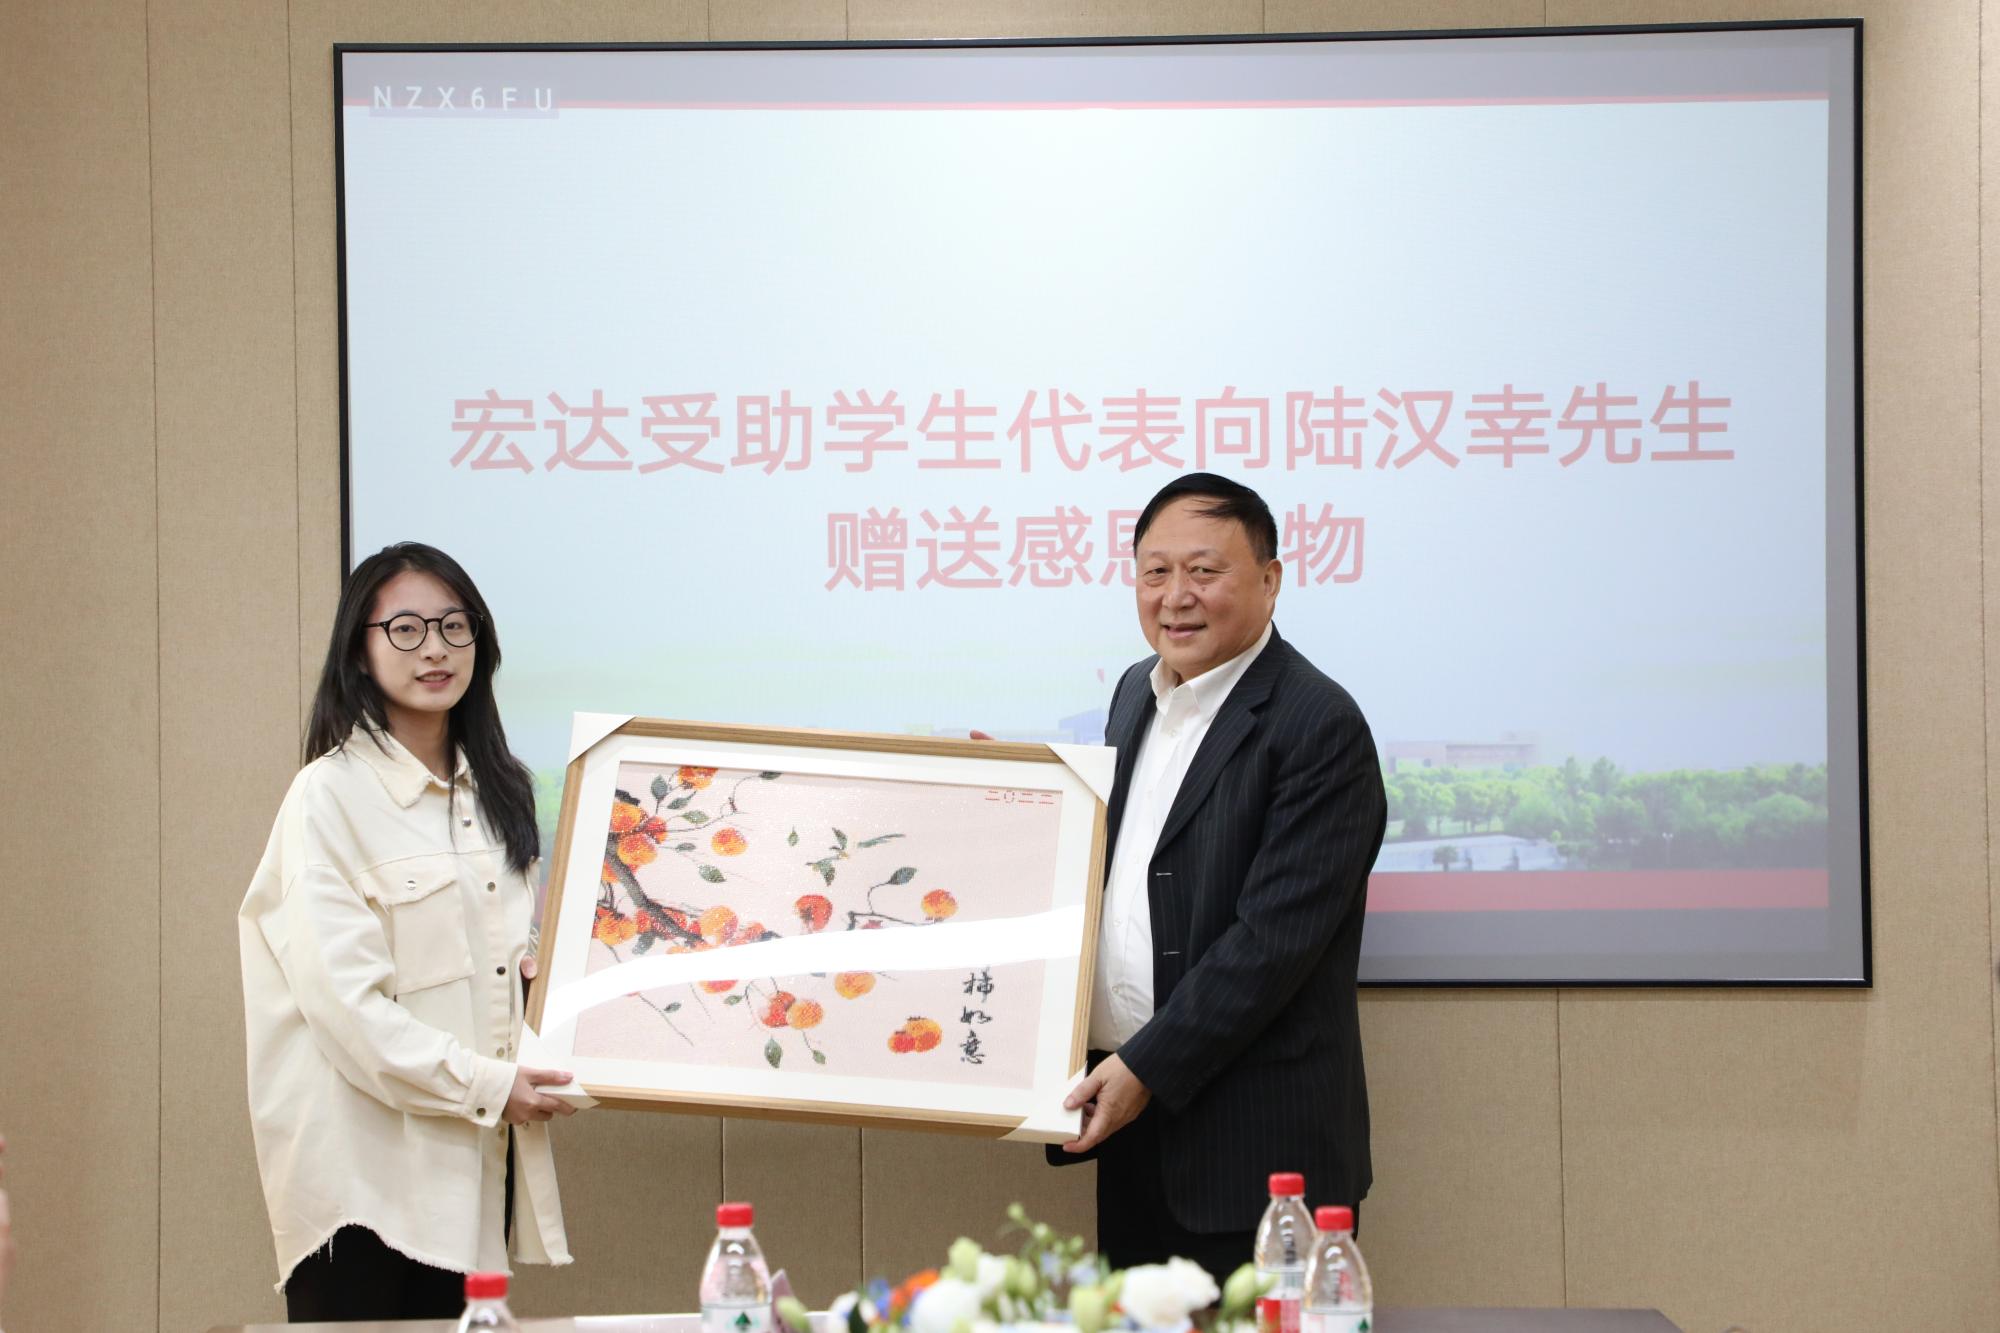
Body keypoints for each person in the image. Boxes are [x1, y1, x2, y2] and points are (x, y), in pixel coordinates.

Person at [1049, 473, 1386, 1280]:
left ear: (1270, 580)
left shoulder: (1319, 724)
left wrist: (1143, 1069)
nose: (1176, 596)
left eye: (1204, 571)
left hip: (1259, 1155)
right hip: (1134, 1132)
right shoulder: (1136, 692)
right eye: (1155, 572)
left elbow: (1270, 945)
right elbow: (1127, 868)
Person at [239, 542, 575, 1321]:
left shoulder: (502, 793)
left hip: (470, 1171)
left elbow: (509, 972)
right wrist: (492, 1085)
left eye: (455, 626)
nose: (435, 648)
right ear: (359, 649)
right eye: (407, 628)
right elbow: (347, 1010)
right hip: (363, 1186)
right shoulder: (327, 797)